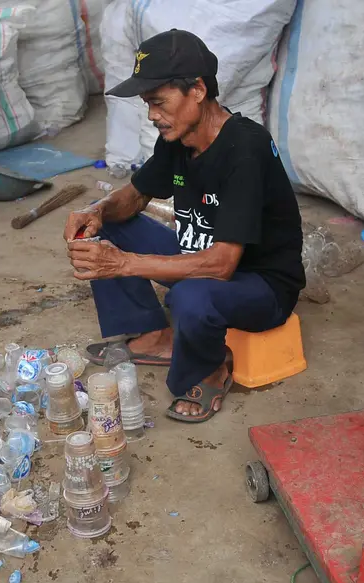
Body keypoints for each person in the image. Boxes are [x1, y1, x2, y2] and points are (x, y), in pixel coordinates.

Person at [64, 28, 304, 423]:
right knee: (104, 227)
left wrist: (123, 264)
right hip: (201, 261)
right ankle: (155, 337)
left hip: (261, 285)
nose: (152, 115)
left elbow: (222, 265)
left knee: (191, 297)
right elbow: (137, 195)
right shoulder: (178, 138)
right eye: (147, 104)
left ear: (197, 89)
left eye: (158, 102)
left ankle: (210, 370)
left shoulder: (245, 149)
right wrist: (98, 210)